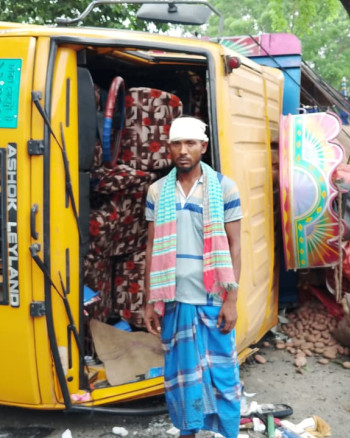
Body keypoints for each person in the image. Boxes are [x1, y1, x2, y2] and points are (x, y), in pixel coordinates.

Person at [144, 116, 243, 438]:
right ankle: (188, 432)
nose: (183, 150)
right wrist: (149, 300)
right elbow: (151, 246)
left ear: (203, 146)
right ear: (169, 148)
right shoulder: (157, 191)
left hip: (212, 298)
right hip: (173, 298)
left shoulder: (224, 188)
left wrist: (232, 299)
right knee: (181, 375)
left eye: (190, 143)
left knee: (222, 374)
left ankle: (227, 432)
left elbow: (235, 245)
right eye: (177, 143)